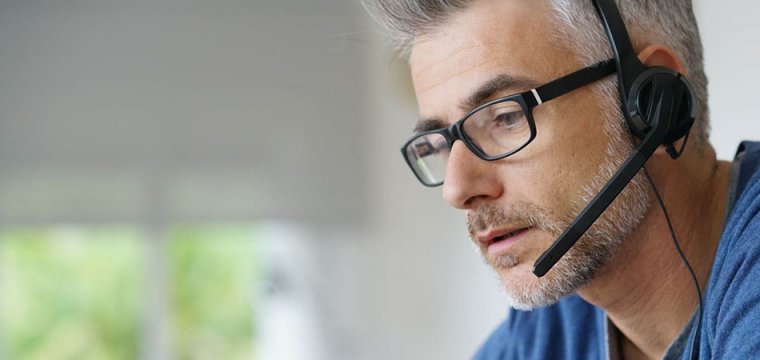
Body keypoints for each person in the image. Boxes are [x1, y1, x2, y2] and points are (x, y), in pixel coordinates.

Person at [366, 0, 760, 359]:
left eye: (506, 117)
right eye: (439, 144)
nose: (457, 190)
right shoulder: (548, 331)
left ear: (655, 106)